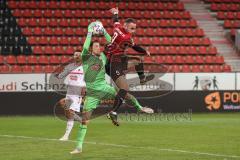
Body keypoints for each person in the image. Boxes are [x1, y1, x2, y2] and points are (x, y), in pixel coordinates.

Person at [70, 22, 153, 154]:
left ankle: (139, 107)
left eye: (99, 46)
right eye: (96, 46)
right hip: (92, 94)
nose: (99, 48)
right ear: (91, 49)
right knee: (85, 120)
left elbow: (112, 42)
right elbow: (86, 45)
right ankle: (79, 147)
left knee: (124, 93)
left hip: (104, 88)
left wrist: (103, 31)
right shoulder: (86, 57)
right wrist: (90, 33)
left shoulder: (103, 57)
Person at [105, 7, 155, 125]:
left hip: (119, 59)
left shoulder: (118, 28)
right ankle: (113, 112)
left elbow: (115, 21)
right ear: (126, 26)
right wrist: (145, 51)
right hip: (114, 62)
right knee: (124, 89)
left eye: (135, 29)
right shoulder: (125, 37)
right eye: (132, 28)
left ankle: (142, 79)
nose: (133, 31)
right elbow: (135, 46)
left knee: (138, 61)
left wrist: (115, 13)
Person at [56, 51, 86, 141]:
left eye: (78, 55)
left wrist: (85, 90)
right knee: (63, 105)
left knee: (70, 112)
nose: (76, 56)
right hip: (69, 91)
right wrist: (59, 75)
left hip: (77, 92)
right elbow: (62, 75)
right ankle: (82, 121)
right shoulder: (70, 66)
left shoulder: (85, 67)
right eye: (75, 54)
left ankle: (66, 136)